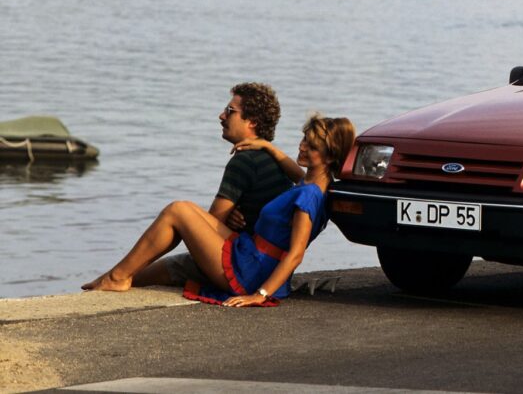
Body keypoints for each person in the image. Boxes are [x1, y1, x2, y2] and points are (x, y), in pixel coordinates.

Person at [83, 114, 355, 307]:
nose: (302, 147)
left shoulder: (308, 195)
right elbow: (296, 171)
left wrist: (260, 295)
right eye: (304, 139)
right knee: (185, 213)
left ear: (330, 156)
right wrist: (267, 146)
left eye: (311, 146)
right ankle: (116, 276)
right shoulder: (316, 185)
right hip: (249, 254)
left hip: (251, 271)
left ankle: (116, 277)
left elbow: (295, 254)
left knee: (178, 210)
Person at [141, 83, 296, 287]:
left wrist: (223, 219)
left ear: (252, 122)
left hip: (241, 266)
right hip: (268, 267)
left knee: (142, 273)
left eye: (230, 111)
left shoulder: (245, 160)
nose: (222, 116)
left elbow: (210, 226)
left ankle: (114, 278)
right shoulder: (274, 160)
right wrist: (229, 217)